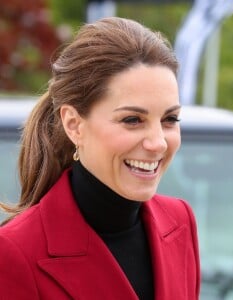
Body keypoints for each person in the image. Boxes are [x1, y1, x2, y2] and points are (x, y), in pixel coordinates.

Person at [0, 17, 200, 299]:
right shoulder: (14, 252)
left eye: (170, 119)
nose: (157, 143)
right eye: (132, 120)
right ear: (73, 124)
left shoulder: (180, 222)